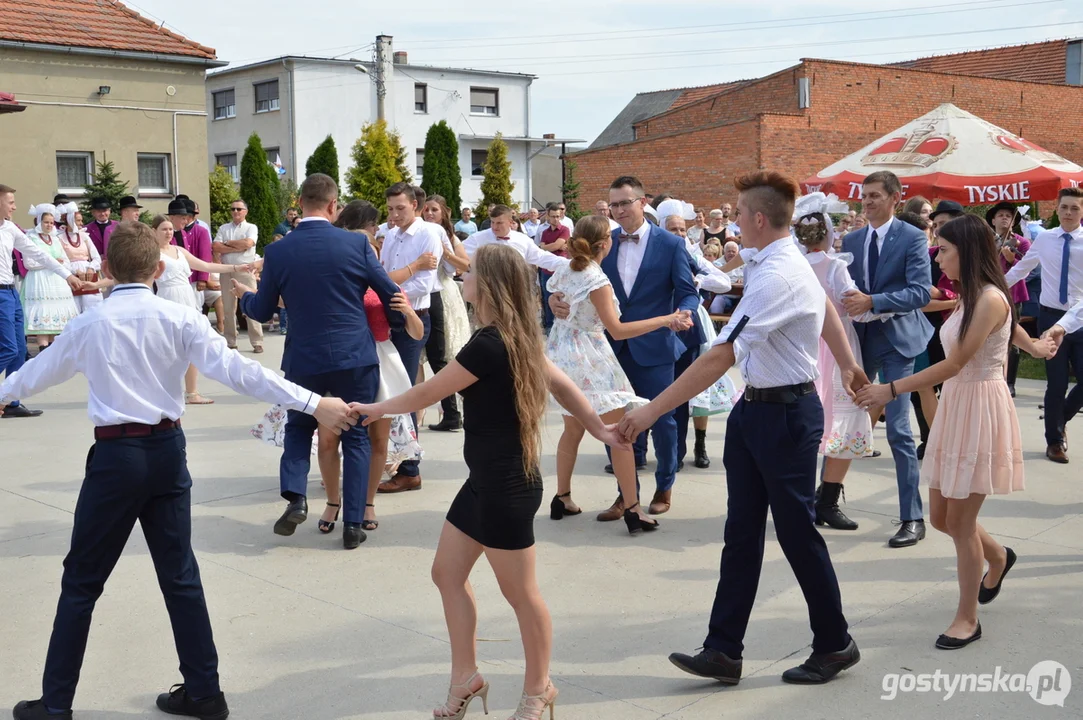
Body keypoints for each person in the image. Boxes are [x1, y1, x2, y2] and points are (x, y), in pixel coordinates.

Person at [2, 221, 360, 720]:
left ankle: (56, 702)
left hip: (115, 458)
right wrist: (313, 402)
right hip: (168, 451)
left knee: (82, 581)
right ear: (159, 267)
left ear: (105, 268)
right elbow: (243, 373)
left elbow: (29, 378)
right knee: (180, 574)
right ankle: (204, 693)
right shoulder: (180, 318)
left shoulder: (90, 324)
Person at [351, 243, 629, 720]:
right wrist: (600, 427)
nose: (462, 277)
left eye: (471, 272)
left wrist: (372, 408)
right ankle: (466, 678)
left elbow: (429, 391)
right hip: (486, 482)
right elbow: (562, 385)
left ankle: (539, 690)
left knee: (522, 596)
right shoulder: (513, 335)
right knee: (446, 574)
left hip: (506, 489)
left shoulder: (490, 343)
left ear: (491, 284)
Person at [619, 170, 864, 686]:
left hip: (785, 416)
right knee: (741, 533)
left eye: (737, 212)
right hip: (756, 410)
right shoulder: (772, 259)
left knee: (798, 535)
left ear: (755, 219)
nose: (732, 221)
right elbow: (823, 309)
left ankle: (836, 643)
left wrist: (649, 411)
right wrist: (845, 364)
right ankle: (723, 649)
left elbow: (721, 355)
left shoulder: (778, 275)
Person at [856, 215, 1055, 649]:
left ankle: (968, 618)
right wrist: (1035, 346)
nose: (936, 256)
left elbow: (955, 362)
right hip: (958, 407)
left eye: (943, 249)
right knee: (942, 517)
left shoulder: (986, 297)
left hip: (980, 406)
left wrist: (889, 390)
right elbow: (1006, 326)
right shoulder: (970, 294)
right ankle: (999, 555)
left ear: (966, 250)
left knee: (961, 523)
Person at [237, 174, 404, 549]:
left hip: (304, 356)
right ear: (333, 205)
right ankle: (354, 523)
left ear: (299, 203)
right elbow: (391, 293)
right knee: (356, 435)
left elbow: (262, 311)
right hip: (354, 355)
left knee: (298, 427)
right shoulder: (356, 245)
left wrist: (246, 297)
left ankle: (297, 497)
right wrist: (394, 327)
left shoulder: (278, 251)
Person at [549, 176, 698, 519]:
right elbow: (569, 284)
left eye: (624, 203)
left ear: (642, 202)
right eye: (613, 204)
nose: (618, 210)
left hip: (654, 346)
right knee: (617, 428)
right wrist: (555, 300)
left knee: (662, 420)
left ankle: (664, 486)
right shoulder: (603, 241)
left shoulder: (671, 244)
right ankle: (625, 497)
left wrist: (683, 312)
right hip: (608, 352)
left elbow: (687, 288)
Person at [840, 170, 932, 548]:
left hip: (897, 341)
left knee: (897, 430)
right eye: (865, 195)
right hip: (859, 341)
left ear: (895, 197)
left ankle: (912, 516)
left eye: (876, 195)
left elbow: (920, 293)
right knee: (842, 419)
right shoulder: (852, 238)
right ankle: (826, 499)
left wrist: (874, 301)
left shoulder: (911, 237)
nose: (868, 201)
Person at [793, 197, 885, 531]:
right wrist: (884, 307)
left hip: (802, 347)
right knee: (844, 420)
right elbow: (854, 304)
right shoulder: (835, 266)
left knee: (805, 423)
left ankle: (801, 501)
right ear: (829, 234)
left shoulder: (795, 265)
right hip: (837, 348)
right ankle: (827, 501)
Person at [373, 182, 442, 493]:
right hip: (389, 318)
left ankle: (410, 469)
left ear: (416, 205)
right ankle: (392, 460)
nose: (394, 214)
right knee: (389, 392)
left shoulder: (428, 234)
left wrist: (390, 287)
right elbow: (383, 274)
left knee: (404, 395)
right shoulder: (391, 236)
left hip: (413, 319)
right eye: (390, 209)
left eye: (400, 208)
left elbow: (423, 285)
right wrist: (394, 282)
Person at [1005, 187, 1083, 463]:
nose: (1069, 213)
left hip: (1080, 318)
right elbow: (1021, 269)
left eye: (1075, 208)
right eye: (1065, 207)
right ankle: (1054, 441)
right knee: (1057, 382)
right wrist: (993, 286)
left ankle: (1059, 419)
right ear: (1057, 209)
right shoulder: (1046, 239)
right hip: (1050, 318)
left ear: (1082, 211)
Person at [1, 186, 84, 418]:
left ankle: (10, 401)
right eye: (10, 202)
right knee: (7, 348)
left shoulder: (9, 229)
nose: (15, 206)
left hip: (11, 293)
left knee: (18, 351)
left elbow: (40, 254)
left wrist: (67, 275)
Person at [152, 215, 250, 405]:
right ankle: (162, 391)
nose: (169, 232)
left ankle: (192, 392)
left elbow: (205, 265)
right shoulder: (152, 254)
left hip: (187, 297)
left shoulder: (179, 250)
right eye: (164, 229)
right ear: (154, 231)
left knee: (192, 345)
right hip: (167, 299)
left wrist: (237, 266)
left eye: (170, 229)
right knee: (167, 350)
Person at [421, 194, 472, 432]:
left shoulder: (448, 236)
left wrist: (446, 252)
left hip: (443, 294)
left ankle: (454, 412)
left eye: (434, 210)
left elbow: (466, 265)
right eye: (426, 210)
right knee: (424, 358)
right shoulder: (418, 232)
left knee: (445, 355)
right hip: (421, 295)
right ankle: (420, 412)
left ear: (444, 213)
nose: (429, 214)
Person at [985, 201, 1032, 397]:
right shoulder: (986, 242)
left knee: (1012, 338)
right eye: (1001, 215)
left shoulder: (1022, 242)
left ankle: (1009, 382)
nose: (1004, 218)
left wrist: (1012, 260)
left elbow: (1028, 270)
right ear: (993, 220)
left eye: (1008, 215)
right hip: (989, 296)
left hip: (1013, 296)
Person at [21, 204, 79, 351]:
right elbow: (29, 263)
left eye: (52, 222)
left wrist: (59, 264)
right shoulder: (31, 237)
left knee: (55, 321)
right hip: (39, 281)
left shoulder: (56, 239)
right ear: (39, 221)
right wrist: (51, 263)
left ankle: (52, 351)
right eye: (46, 222)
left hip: (56, 282)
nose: (49, 225)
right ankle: (42, 348)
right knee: (42, 315)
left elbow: (65, 260)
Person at [211, 199, 263, 353]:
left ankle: (257, 341)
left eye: (239, 209)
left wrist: (228, 244)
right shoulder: (223, 228)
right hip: (227, 269)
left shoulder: (251, 227)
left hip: (245, 270)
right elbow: (215, 247)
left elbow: (248, 244)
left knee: (252, 305)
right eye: (233, 209)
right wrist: (237, 246)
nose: (235, 212)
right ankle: (230, 341)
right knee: (228, 307)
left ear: (245, 211)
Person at [55, 202, 104, 314]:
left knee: (92, 307)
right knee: (74, 308)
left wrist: (91, 268)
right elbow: (61, 260)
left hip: (88, 273)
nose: (82, 223)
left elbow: (96, 257)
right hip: (72, 275)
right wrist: (74, 271)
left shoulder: (84, 236)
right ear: (70, 220)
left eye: (81, 220)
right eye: (78, 221)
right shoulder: (60, 238)